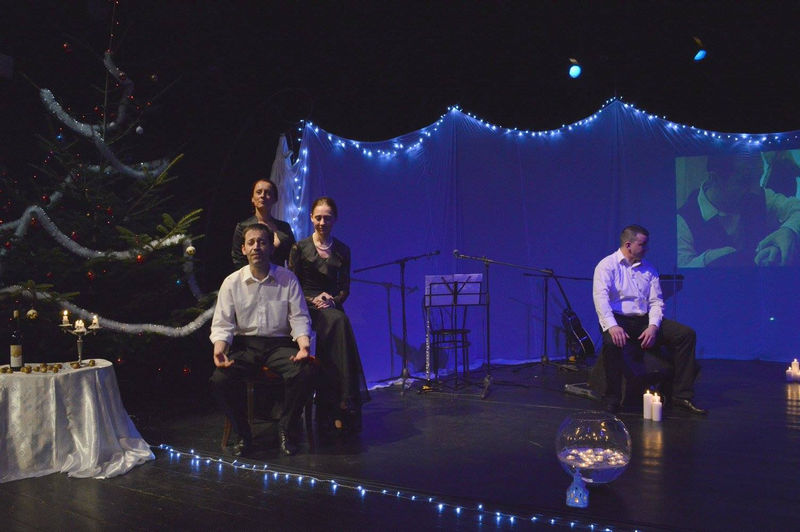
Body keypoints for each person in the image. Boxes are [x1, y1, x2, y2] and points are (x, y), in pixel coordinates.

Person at [211, 223, 316, 456]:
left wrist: (303, 345)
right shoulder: (232, 282)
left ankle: (286, 429)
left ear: (270, 247)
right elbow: (223, 324)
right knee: (220, 379)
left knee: (305, 372)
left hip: (279, 345)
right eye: (251, 242)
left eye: (262, 242)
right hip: (246, 345)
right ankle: (243, 434)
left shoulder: (287, 278)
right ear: (243, 249)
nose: (256, 247)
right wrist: (220, 349)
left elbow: (299, 317)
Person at [592, 225, 706, 415]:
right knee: (612, 344)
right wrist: (612, 326)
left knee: (685, 335)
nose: (646, 248)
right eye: (642, 244)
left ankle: (681, 395)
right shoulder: (607, 266)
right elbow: (600, 299)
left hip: (643, 320)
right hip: (618, 320)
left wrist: (653, 326)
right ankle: (612, 398)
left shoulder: (649, 268)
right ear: (628, 245)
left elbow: (656, 302)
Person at [288, 197, 369, 435]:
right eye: (318, 218)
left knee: (338, 322)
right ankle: (340, 403)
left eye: (327, 218)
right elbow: (293, 286)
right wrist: (313, 299)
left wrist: (332, 299)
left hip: (331, 305)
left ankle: (338, 406)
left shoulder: (343, 249)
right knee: (339, 322)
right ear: (311, 218)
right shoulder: (299, 248)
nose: (322, 222)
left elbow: (345, 288)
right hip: (306, 305)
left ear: (335, 219)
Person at [677, 151, 800, 267]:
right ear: (714, 178)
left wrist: (789, 230)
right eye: (745, 181)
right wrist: (706, 260)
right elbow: (680, 270)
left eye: (759, 178)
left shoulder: (763, 196)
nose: (757, 191)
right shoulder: (681, 222)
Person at [232, 179, 296, 268]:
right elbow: (238, 259)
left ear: (275, 199)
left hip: (278, 275)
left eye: (268, 193)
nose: (262, 195)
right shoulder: (243, 227)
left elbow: (293, 258)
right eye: (259, 192)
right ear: (252, 198)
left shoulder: (284, 228)